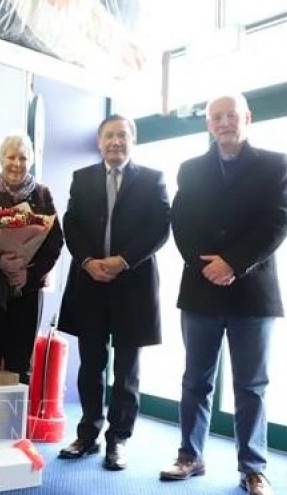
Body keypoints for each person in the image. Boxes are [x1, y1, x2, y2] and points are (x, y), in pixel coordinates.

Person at [159, 93, 287, 495]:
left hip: (252, 292)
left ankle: (252, 467)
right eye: (216, 116)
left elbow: (278, 223)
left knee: (251, 385)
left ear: (247, 118)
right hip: (201, 289)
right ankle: (190, 455)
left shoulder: (275, 164)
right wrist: (208, 267)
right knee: (194, 380)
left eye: (231, 115)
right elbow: (179, 222)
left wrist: (233, 263)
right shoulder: (190, 169)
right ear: (208, 124)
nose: (223, 122)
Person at [56, 115, 170, 470]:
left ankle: (117, 441)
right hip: (90, 283)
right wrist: (88, 261)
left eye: (122, 135)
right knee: (90, 365)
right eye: (109, 136)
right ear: (99, 141)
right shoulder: (82, 178)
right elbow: (70, 224)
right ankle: (87, 434)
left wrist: (123, 260)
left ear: (132, 140)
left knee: (126, 372)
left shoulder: (153, 179)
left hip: (132, 287)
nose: (115, 142)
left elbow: (160, 227)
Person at [0, 132, 63, 385]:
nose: (17, 163)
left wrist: (30, 272)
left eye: (23, 158)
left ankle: (14, 423)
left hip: (27, 291)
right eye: (11, 156)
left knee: (20, 365)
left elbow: (55, 240)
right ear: (0, 158)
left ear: (32, 161)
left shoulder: (42, 195)